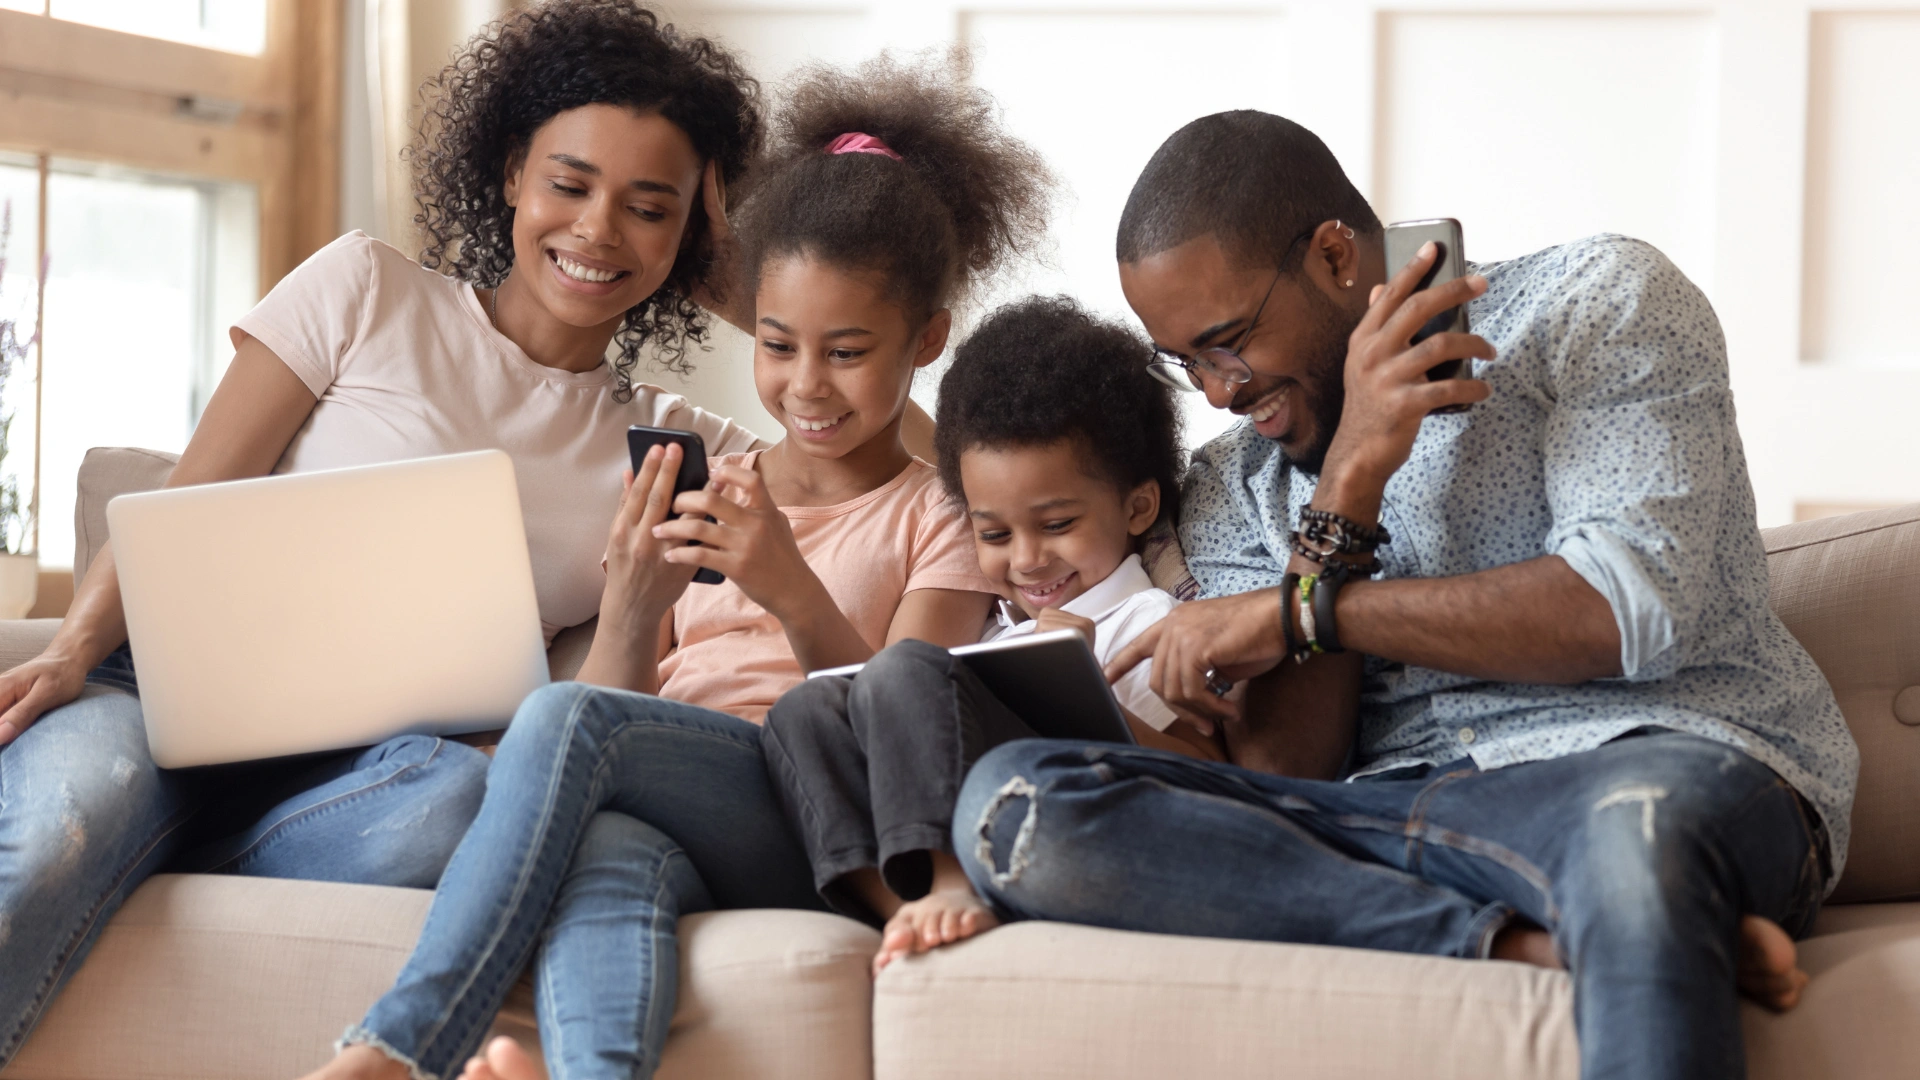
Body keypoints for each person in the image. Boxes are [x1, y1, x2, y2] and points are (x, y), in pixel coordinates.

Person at [951, 110, 1858, 1080]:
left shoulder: (1596, 302)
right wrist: (1346, 487)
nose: (1217, 392)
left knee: (1631, 839)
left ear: (1338, 258)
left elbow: (1625, 607)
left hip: (1651, 764)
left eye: (1227, 342)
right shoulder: (1235, 479)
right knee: (1015, 810)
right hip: (1395, 815)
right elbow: (1287, 766)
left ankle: (1639, 911)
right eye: (1188, 365)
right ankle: (1536, 937)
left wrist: (1303, 612)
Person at [0, 0, 768, 1067]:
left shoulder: (673, 442)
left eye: (650, 208)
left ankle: (195, 851)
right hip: (158, 699)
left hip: (380, 777)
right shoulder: (364, 288)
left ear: (693, 230)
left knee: (453, 805)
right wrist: (74, 649)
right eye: (569, 184)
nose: (597, 230)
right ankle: (148, 826)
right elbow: (185, 490)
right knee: (55, 837)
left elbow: (897, 454)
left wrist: (752, 280)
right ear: (510, 173)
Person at [300, 50, 1049, 1080]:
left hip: (818, 817)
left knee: (557, 717)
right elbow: (613, 707)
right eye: (778, 345)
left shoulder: (944, 513)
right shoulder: (710, 476)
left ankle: (401, 1045)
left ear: (926, 341)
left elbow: (901, 731)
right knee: (608, 859)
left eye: (847, 351)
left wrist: (788, 586)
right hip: (679, 795)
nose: (805, 386)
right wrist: (632, 604)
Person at [762, 295, 1221, 976]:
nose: (1028, 559)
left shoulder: (1156, 624)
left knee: (906, 667)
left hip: (1078, 816)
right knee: (803, 708)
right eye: (995, 534)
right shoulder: (993, 626)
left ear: (1137, 506)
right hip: (984, 804)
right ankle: (901, 909)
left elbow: (1213, 778)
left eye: (1057, 524)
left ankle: (949, 885)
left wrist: (1089, 694)